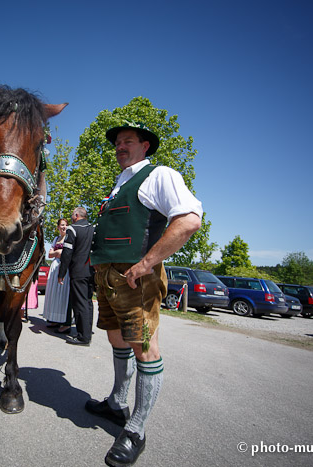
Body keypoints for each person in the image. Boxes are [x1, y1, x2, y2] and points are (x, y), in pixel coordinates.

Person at [86, 121, 202, 466]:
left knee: (144, 347)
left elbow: (189, 220)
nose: (120, 147)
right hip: (109, 276)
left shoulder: (159, 174)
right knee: (116, 339)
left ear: (145, 146)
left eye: (128, 141)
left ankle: (136, 430)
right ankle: (117, 404)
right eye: (118, 142)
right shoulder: (119, 183)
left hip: (137, 277)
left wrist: (147, 262)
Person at [58, 207, 95, 346]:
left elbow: (67, 253)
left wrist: (61, 273)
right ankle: (87, 333)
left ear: (77, 215)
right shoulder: (93, 228)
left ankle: (82, 337)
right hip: (90, 270)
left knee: (79, 303)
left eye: (72, 214)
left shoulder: (72, 229)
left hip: (78, 271)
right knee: (88, 302)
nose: (71, 217)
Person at [42, 218, 71, 331]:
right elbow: (49, 254)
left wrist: (57, 253)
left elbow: (66, 254)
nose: (64, 227)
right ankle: (54, 319)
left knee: (62, 294)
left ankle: (64, 321)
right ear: (58, 227)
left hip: (64, 268)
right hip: (54, 267)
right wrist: (58, 252)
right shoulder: (56, 239)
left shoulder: (68, 239)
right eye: (62, 225)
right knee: (53, 294)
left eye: (65, 225)